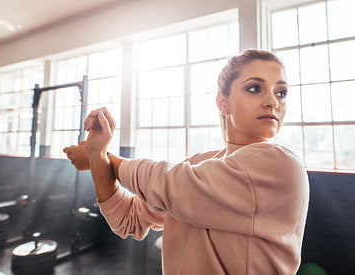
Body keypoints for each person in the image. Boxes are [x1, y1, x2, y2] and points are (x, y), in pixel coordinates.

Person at [63, 49, 309, 275]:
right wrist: (97, 157)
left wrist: (105, 159)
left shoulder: (281, 165)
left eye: (281, 92)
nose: (273, 102)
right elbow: (129, 220)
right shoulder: (203, 164)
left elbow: (173, 185)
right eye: (255, 88)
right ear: (223, 102)